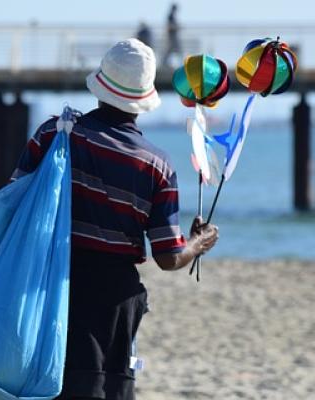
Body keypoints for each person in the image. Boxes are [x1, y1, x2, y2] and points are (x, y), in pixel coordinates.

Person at [11, 39, 219, 400]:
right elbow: (169, 257)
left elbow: (15, 203)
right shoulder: (157, 165)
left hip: (51, 285)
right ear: (144, 99)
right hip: (114, 298)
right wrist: (197, 243)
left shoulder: (54, 134)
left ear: (101, 85)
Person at [162, 3, 181, 67]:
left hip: (172, 36)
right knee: (171, 50)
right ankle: (164, 63)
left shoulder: (172, 16)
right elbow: (170, 26)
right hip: (172, 37)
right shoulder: (170, 16)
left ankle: (165, 63)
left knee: (172, 50)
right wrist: (177, 27)